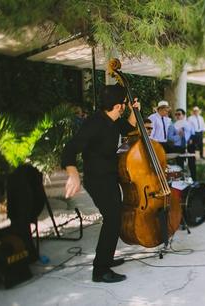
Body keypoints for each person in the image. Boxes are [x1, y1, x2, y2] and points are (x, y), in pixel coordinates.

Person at [61, 84, 140, 283]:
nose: (125, 105)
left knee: (114, 219)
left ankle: (106, 259)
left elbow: (131, 127)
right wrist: (73, 173)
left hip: (110, 176)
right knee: (113, 220)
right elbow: (69, 149)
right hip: (97, 179)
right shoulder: (94, 123)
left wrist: (134, 111)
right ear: (117, 106)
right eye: (124, 103)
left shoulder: (114, 120)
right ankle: (100, 271)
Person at [168, 108, 197, 180]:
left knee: (192, 165)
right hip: (178, 147)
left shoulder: (189, 124)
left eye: (179, 114)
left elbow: (193, 134)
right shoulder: (173, 125)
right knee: (180, 166)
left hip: (189, 147)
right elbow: (170, 137)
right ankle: (181, 181)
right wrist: (179, 136)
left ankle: (194, 180)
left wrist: (191, 139)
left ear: (183, 115)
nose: (177, 116)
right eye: (176, 114)